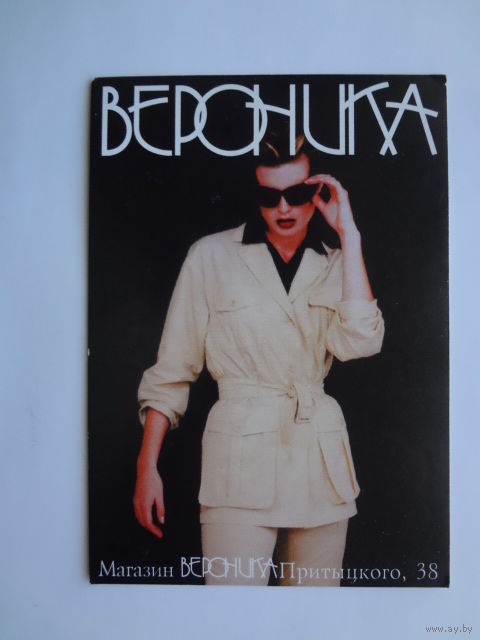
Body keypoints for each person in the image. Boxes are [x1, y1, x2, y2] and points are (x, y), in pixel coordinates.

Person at [134, 131, 384, 586]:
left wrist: (350, 236)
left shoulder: (335, 264)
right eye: (270, 197)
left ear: (318, 192)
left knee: (314, 616)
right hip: (239, 465)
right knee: (232, 614)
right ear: (256, 196)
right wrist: (146, 467)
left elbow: (362, 341)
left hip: (320, 465)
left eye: (297, 194)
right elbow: (171, 372)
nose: (284, 208)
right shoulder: (211, 257)